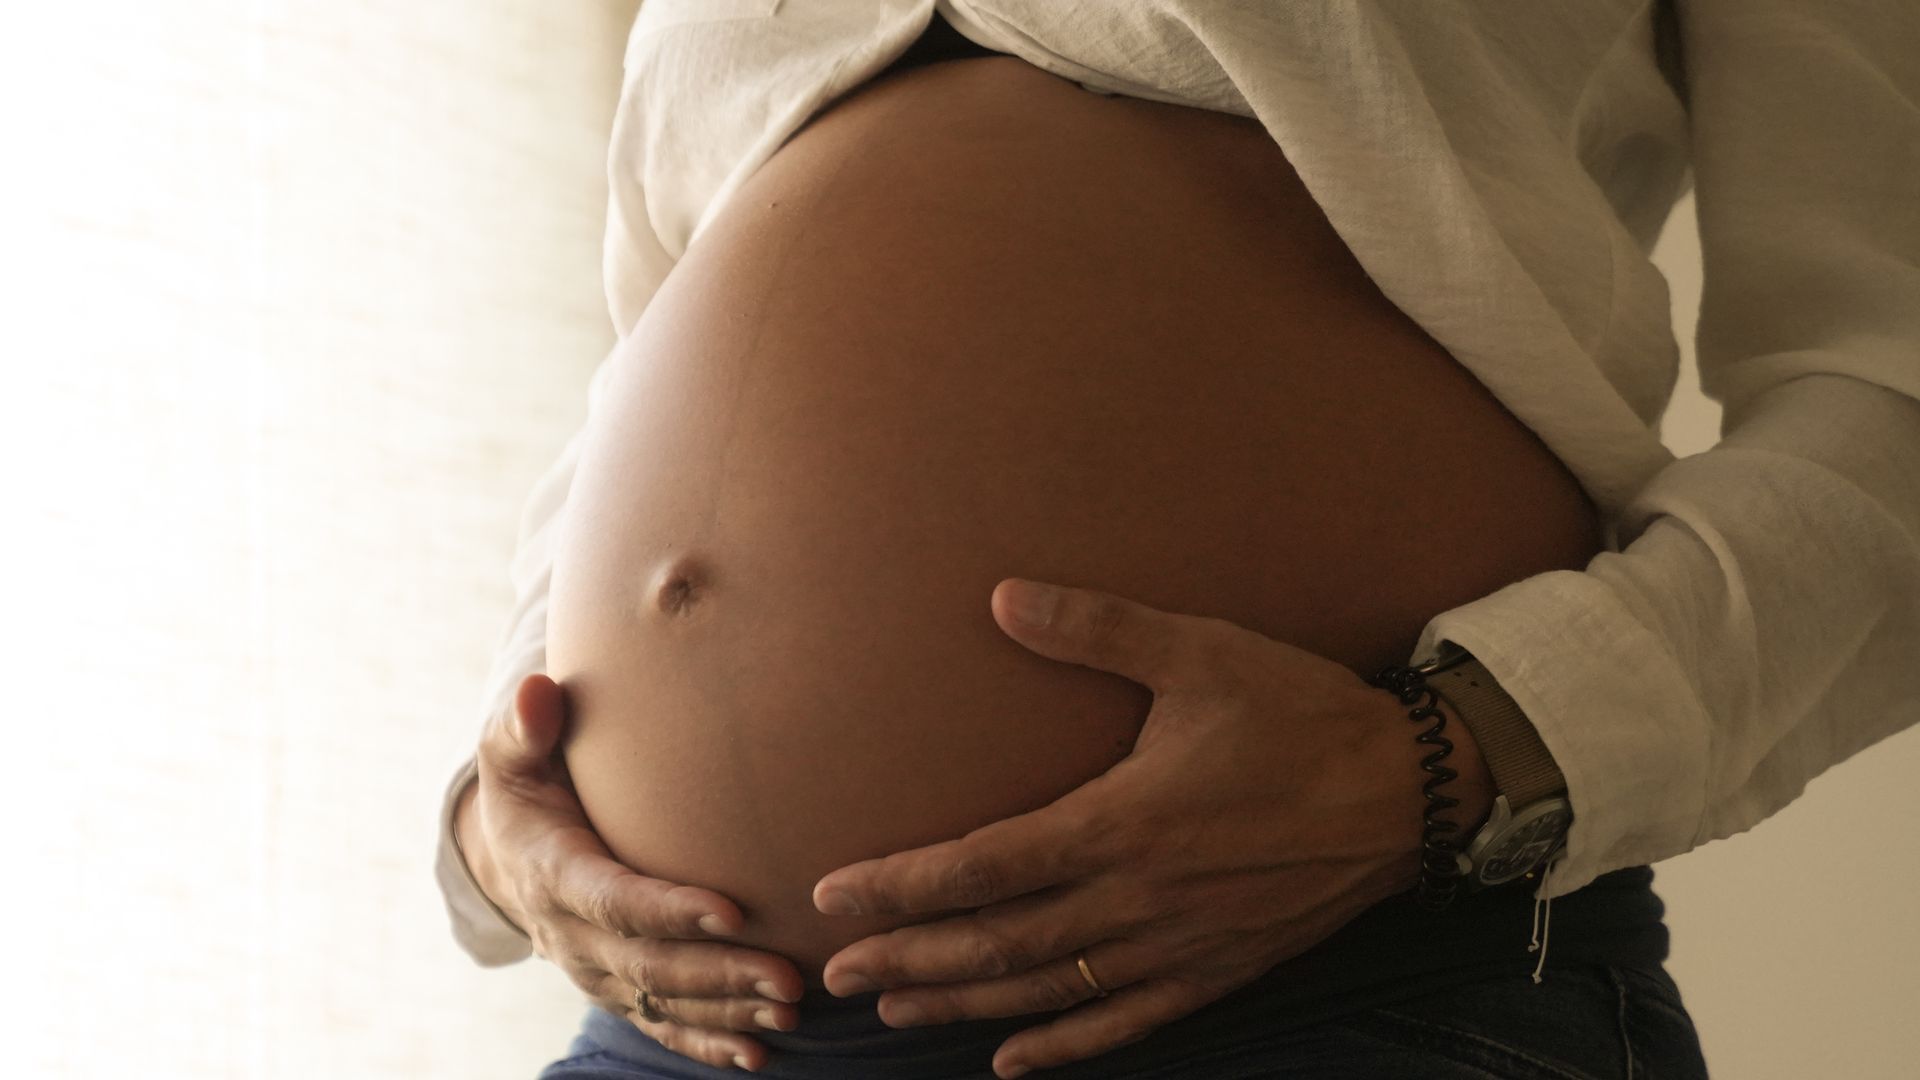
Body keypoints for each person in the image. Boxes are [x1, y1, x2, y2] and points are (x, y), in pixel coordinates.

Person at [436, 3, 1920, 1078]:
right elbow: (656, 365)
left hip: (1317, 996)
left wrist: (1465, 751)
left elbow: (1891, 382)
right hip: (687, 1033)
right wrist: (505, 812)